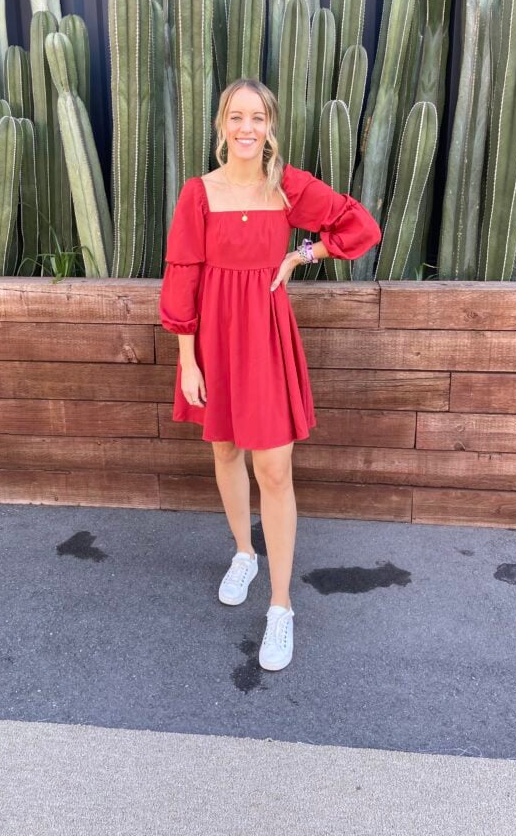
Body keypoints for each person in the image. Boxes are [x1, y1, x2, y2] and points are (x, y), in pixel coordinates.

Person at [159, 79, 381, 671]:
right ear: (220, 126)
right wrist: (187, 361)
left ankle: (280, 609)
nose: (247, 128)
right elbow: (182, 276)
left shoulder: (287, 189)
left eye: (257, 118)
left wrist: (304, 254)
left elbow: (360, 227)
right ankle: (242, 552)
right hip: (214, 340)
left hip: (266, 336)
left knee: (275, 469)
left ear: (270, 126)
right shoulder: (198, 194)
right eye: (236, 117)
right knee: (225, 450)